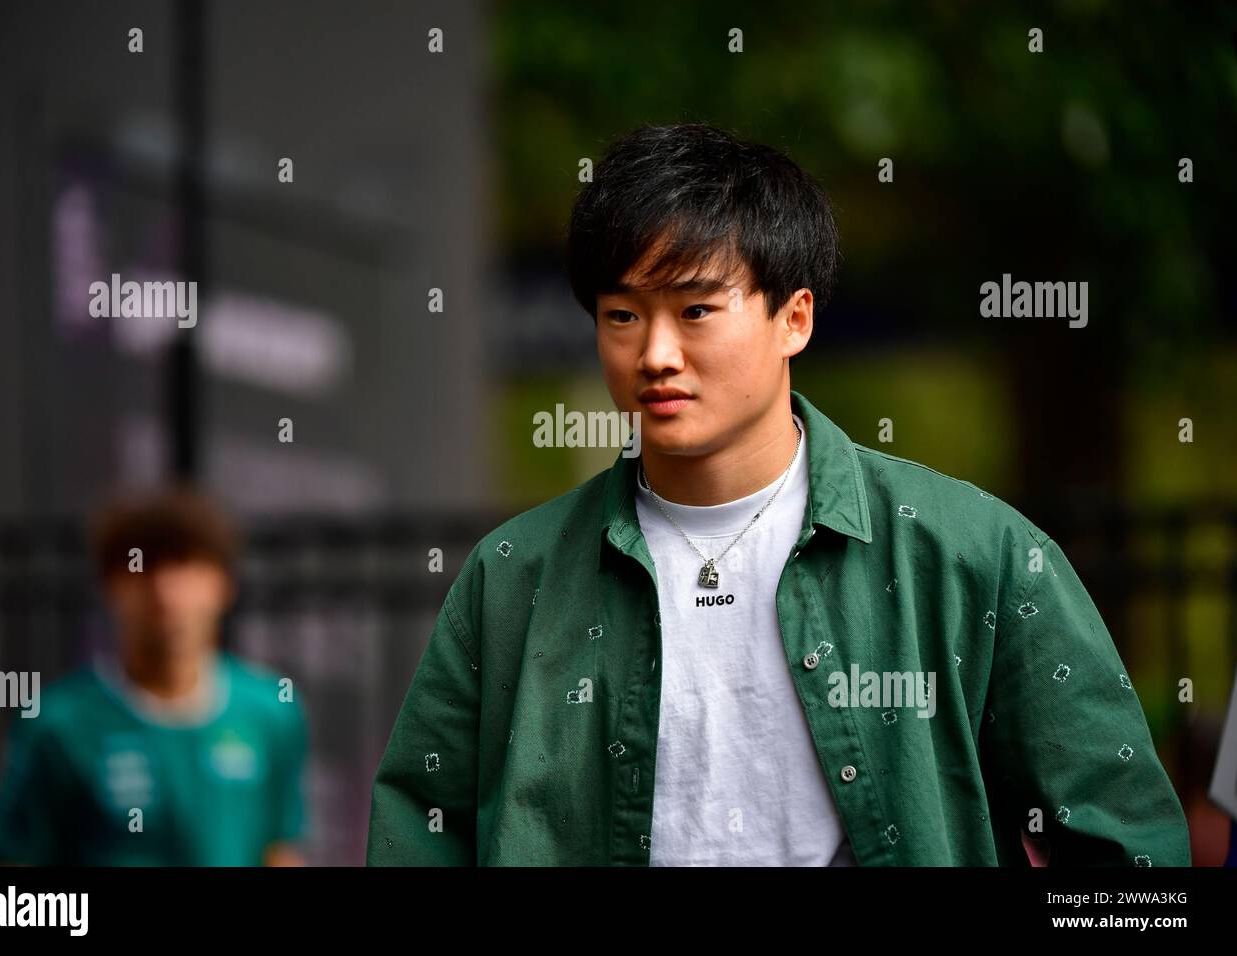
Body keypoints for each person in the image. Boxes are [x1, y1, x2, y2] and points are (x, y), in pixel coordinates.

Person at [366, 122, 1190, 866]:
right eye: (622, 316)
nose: (655, 353)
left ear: (793, 319)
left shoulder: (973, 555)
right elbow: (420, 828)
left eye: (695, 310)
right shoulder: (516, 576)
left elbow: (1127, 852)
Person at [0, 487, 307, 866]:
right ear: (108, 585)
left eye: (184, 564)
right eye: (143, 566)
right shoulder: (57, 723)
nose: (164, 591)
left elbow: (280, 851)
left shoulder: (271, 712)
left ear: (223, 584)